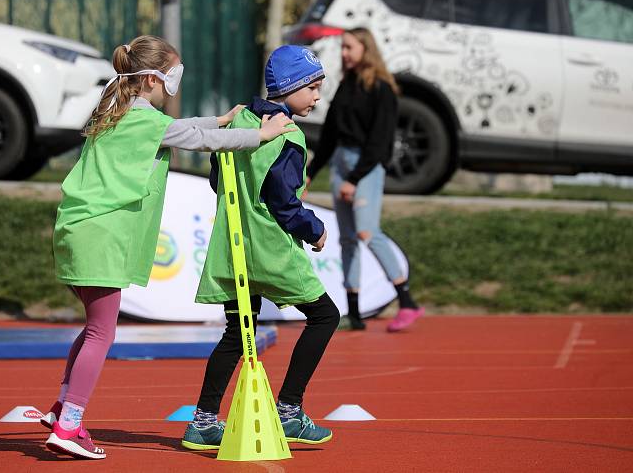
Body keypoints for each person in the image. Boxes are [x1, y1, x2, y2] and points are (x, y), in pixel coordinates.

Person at [42, 35, 296, 460]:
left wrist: (219, 118)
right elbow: (197, 141)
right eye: (172, 78)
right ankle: (70, 424)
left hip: (75, 230)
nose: (173, 88)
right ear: (150, 80)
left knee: (92, 327)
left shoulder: (113, 108)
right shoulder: (145, 122)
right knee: (103, 332)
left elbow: (185, 129)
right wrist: (260, 133)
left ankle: (61, 410)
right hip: (100, 235)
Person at [182, 45, 339, 451]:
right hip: (270, 247)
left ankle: (202, 421)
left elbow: (219, 181)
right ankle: (289, 411)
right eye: (314, 88)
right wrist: (314, 228)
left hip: (233, 245)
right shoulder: (288, 136)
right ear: (290, 89)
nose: (318, 97)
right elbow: (283, 203)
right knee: (325, 316)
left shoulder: (241, 122)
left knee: (236, 333)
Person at [306, 27, 424, 333]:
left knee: (367, 233)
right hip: (341, 164)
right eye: (343, 48)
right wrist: (310, 173)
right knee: (347, 239)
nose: (344, 53)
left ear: (365, 49)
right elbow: (330, 134)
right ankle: (354, 313)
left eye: (349, 47)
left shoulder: (382, 88)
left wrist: (355, 178)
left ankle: (407, 301)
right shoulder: (347, 85)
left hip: (366, 166)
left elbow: (380, 140)